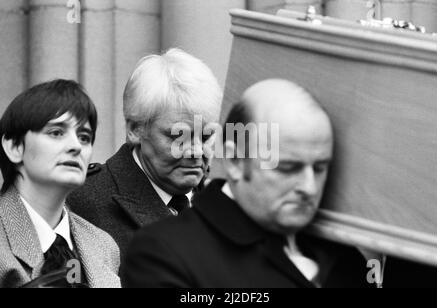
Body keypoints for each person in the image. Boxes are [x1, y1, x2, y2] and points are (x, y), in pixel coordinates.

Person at [122, 79, 370, 288]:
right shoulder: (164, 252)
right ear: (235, 161)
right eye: (287, 167)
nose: (309, 187)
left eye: (319, 168)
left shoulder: (344, 257)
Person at [67, 48, 223, 263]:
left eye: (206, 137)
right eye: (179, 137)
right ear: (135, 129)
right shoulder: (80, 204)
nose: (196, 151)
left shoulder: (229, 205)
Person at [0, 80, 121, 288]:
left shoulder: (103, 246)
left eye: (84, 137)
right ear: (14, 147)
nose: (76, 146)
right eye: (56, 133)